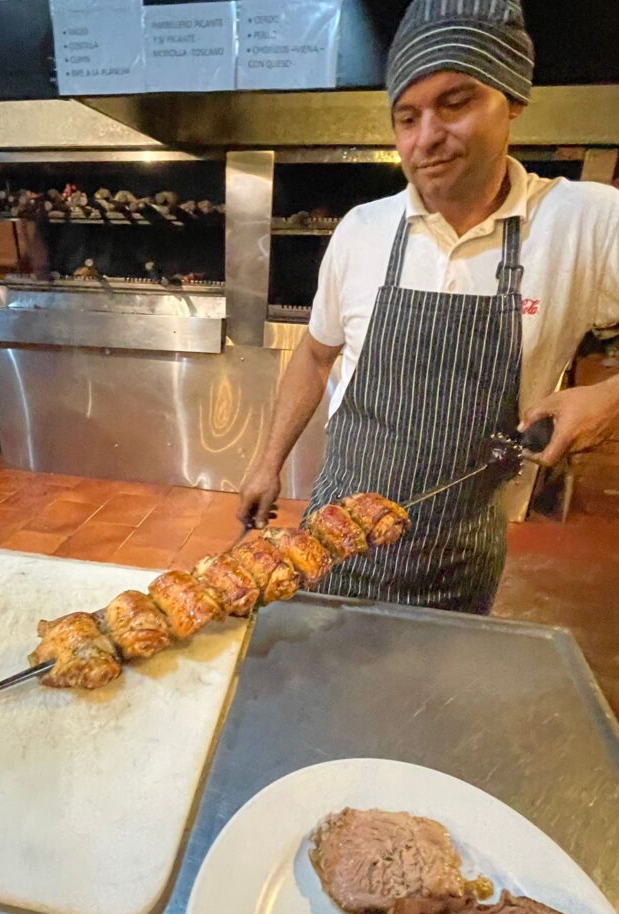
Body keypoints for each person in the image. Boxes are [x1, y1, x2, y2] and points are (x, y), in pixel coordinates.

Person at [238, 0, 619, 613]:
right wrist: (265, 464)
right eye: (406, 117)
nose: (427, 139)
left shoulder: (585, 222)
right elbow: (313, 357)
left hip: (457, 557)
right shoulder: (363, 229)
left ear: (513, 98)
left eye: (456, 102)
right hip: (333, 541)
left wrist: (607, 397)